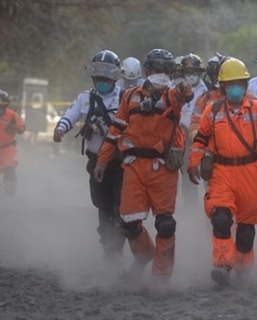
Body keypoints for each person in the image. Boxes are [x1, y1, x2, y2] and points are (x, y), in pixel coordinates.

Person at [94, 48, 193, 282]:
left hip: (163, 168)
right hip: (134, 166)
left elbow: (185, 95)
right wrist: (102, 160)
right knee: (128, 223)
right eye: (157, 69)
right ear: (147, 70)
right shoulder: (130, 97)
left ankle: (160, 279)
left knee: (165, 224)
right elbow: (115, 131)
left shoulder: (172, 96)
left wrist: (182, 88)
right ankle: (144, 254)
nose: (161, 74)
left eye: (166, 70)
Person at [187, 57, 257, 285]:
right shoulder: (212, 111)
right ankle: (222, 265)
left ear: (245, 85)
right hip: (222, 171)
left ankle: (243, 269)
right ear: (222, 86)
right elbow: (200, 139)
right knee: (220, 218)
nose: (235, 88)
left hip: (250, 172)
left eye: (240, 84)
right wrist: (194, 162)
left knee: (246, 229)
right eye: (231, 84)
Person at [53, 49, 127, 260]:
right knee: (102, 206)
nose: (102, 79)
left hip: (120, 163)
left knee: (120, 206)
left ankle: (118, 248)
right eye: (98, 73)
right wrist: (60, 129)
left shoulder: (125, 97)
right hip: (96, 162)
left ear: (116, 75)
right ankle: (108, 250)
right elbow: (71, 114)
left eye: (107, 74)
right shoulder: (85, 98)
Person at [177, 53, 209, 209]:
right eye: (188, 73)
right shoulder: (175, 90)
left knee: (208, 173)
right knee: (187, 174)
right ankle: (191, 209)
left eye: (194, 73)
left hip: (204, 137)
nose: (191, 76)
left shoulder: (209, 90)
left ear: (200, 73)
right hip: (183, 138)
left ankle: (211, 206)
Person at [0, 90, 25, 196]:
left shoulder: (12, 115)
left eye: (2, 106)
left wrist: (14, 128)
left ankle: (10, 194)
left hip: (7, 148)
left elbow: (21, 129)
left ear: (6, 105)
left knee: (9, 168)